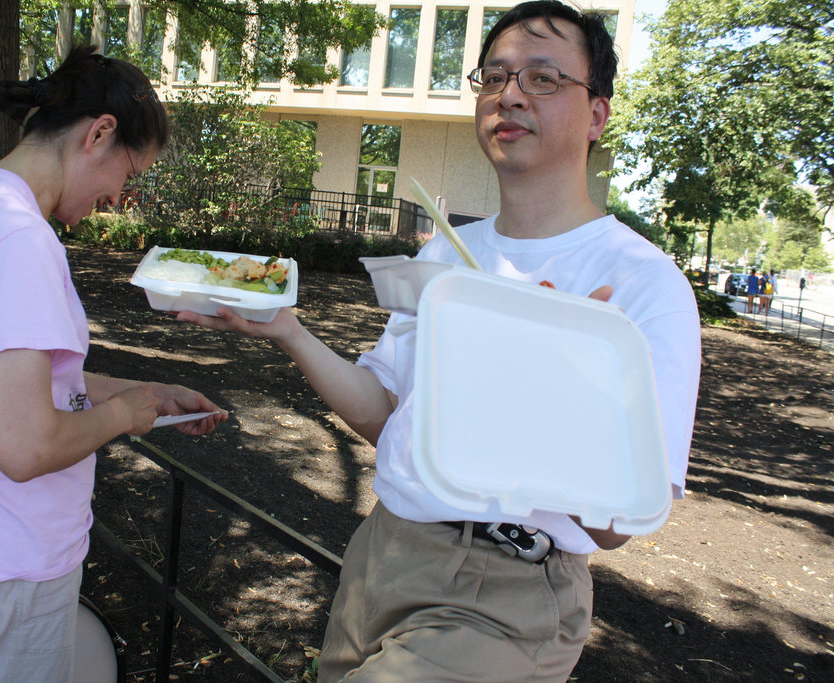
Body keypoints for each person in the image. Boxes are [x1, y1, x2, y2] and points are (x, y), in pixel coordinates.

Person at [179, 2, 700, 680]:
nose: (510, 93)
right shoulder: (452, 253)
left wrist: (549, 386)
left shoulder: (641, 282)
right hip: (383, 550)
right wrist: (288, 330)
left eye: (543, 78)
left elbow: (619, 523)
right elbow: (387, 413)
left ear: (597, 113)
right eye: (495, 76)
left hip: (503, 591)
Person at [0, 46, 227, 682]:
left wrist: (150, 390)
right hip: (9, 570)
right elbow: (24, 446)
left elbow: (32, 386)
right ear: (98, 133)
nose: (119, 198)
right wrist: (123, 415)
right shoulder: (18, 243)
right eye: (128, 176)